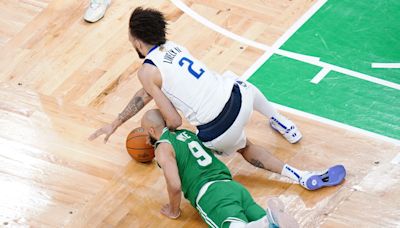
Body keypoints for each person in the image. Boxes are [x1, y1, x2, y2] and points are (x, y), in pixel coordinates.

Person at [89, 7, 346, 191]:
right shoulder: (175, 46)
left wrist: (159, 137)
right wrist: (116, 121)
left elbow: (174, 120)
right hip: (242, 100)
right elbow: (146, 92)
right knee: (235, 79)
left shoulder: (146, 71)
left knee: (244, 147)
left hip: (219, 132)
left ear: (135, 40)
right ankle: (280, 120)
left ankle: (301, 177)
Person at [141, 109, 298, 228]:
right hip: (232, 187)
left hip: (210, 195)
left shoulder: (162, 147)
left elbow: (174, 185)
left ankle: (265, 222)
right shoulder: (187, 133)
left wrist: (173, 211)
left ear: (151, 131)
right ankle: (268, 220)